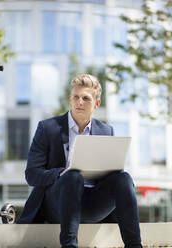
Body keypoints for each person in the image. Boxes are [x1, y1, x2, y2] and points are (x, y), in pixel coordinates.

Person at [17, 74, 142, 248]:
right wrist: (61, 173)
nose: (79, 102)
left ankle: (135, 245)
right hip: (58, 203)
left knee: (124, 178)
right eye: (76, 97)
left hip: (93, 203)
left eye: (85, 98)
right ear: (70, 99)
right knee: (73, 176)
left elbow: (113, 176)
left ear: (96, 104)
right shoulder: (48, 128)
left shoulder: (106, 130)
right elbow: (31, 175)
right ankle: (69, 245)